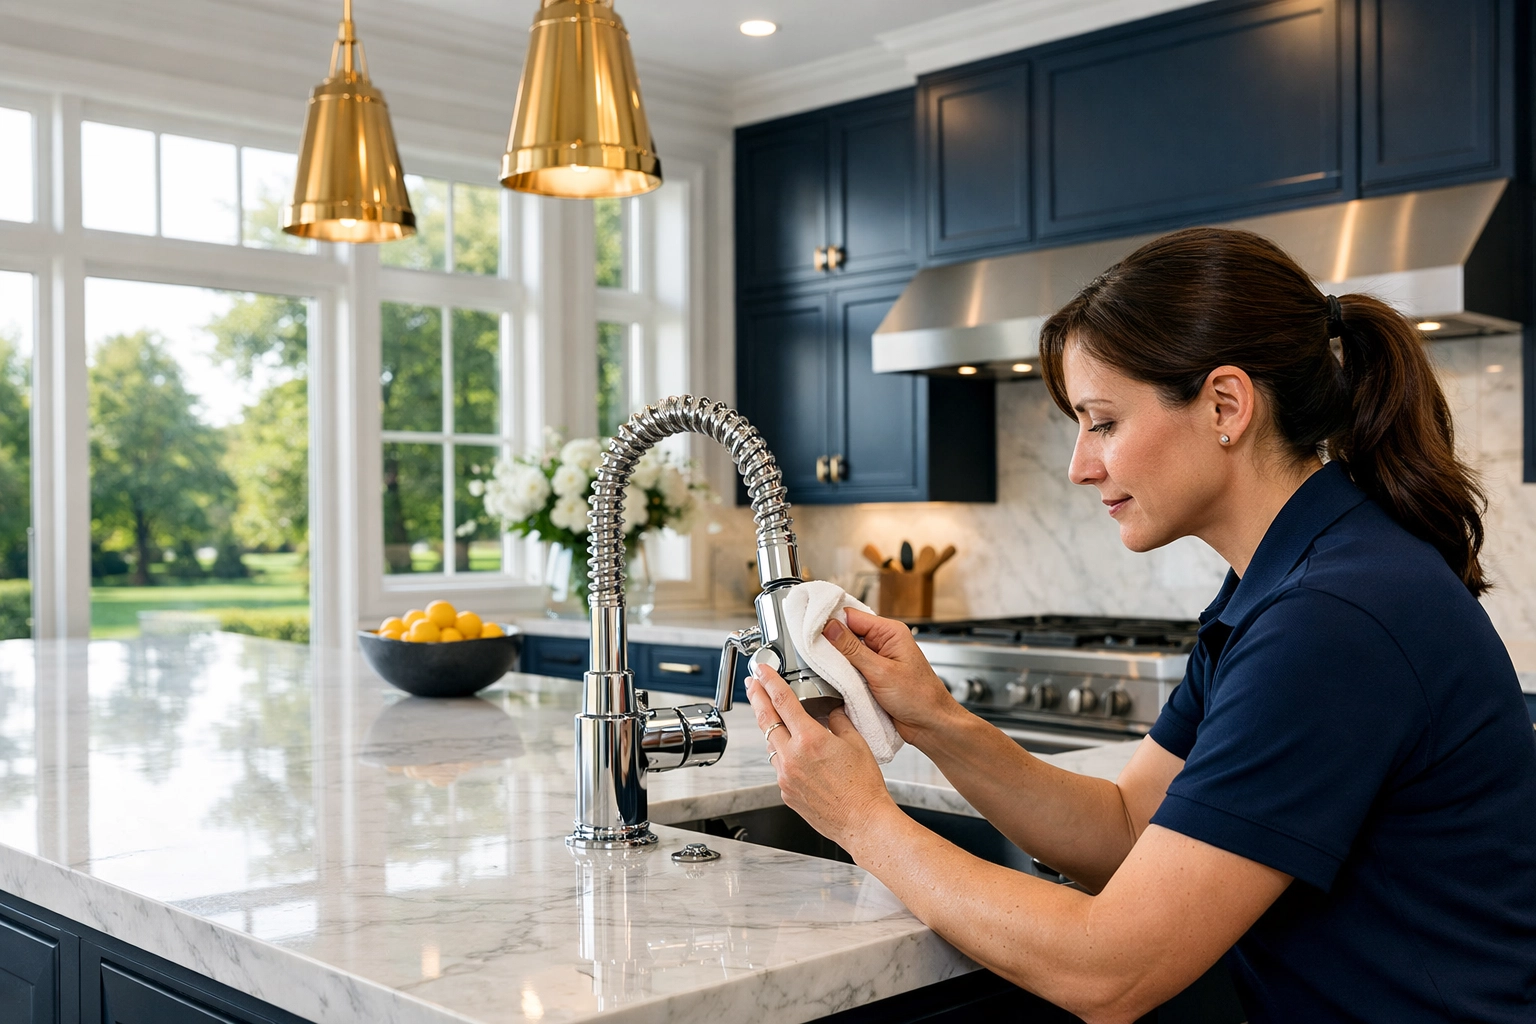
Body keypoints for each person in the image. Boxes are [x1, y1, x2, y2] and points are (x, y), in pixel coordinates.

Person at [745, 227, 1536, 1024]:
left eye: (1103, 422)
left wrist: (861, 821)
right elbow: (1126, 831)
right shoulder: (1284, 582)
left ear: (1226, 405)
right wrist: (935, 719)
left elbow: (1111, 973)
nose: (1080, 465)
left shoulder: (1329, 620)